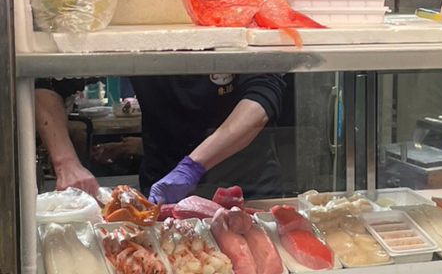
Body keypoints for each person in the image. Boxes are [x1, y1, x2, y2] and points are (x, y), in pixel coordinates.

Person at [35, 72, 291, 204]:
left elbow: (262, 99)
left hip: (248, 192)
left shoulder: (231, 8)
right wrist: (65, 162)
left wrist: (192, 167)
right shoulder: (138, 21)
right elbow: (48, 81)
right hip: (163, 193)